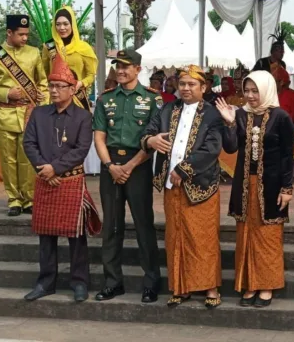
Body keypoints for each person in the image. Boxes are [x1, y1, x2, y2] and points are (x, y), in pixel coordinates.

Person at [141, 64, 223, 309]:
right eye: (183, 83)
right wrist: (151, 140)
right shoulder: (168, 108)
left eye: (192, 84)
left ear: (204, 87)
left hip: (201, 186)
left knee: (203, 238)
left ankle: (210, 287)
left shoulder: (212, 114)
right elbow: (148, 132)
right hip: (171, 187)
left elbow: (211, 149)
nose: (186, 88)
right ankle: (180, 287)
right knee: (175, 236)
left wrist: (183, 169)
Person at [22, 56, 101, 303]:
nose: (54, 91)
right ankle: (46, 283)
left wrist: (54, 168)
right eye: (51, 86)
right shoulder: (39, 113)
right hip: (45, 179)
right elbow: (29, 143)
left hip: (69, 180)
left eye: (59, 86)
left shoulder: (83, 117)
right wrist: (43, 169)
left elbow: (81, 149)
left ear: (71, 88)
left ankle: (79, 283)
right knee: (46, 235)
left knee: (76, 236)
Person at [216, 70, 294, 308]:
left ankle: (267, 285)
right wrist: (228, 123)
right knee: (246, 235)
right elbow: (230, 148)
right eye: (246, 91)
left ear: (267, 90)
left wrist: (287, 188)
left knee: (267, 236)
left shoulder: (281, 117)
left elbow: (287, 156)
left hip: (271, 186)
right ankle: (250, 284)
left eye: (255, 91)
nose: (249, 96)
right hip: (244, 185)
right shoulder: (240, 115)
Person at [93, 49, 161, 303]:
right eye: (117, 66)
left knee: (144, 225)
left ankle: (151, 282)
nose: (120, 71)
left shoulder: (153, 100)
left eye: (125, 66)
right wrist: (110, 165)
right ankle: (113, 282)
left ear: (137, 69)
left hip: (139, 165)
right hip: (110, 165)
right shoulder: (105, 99)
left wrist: (130, 166)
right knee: (111, 226)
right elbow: (98, 136)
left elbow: (154, 140)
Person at [0, 15, 49, 216]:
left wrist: (41, 105)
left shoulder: (34, 53)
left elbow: (42, 82)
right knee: (8, 160)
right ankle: (14, 200)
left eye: (27, 34)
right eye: (21, 34)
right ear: (9, 33)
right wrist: (6, 93)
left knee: (28, 158)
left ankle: (29, 199)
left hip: (29, 114)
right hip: (4, 114)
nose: (25, 38)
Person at [42, 7, 97, 110]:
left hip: (77, 99)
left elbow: (91, 75)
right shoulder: (48, 47)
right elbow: (44, 74)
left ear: (72, 24)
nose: (62, 28)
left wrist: (81, 83)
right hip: (55, 100)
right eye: (58, 24)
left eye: (65, 24)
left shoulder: (84, 48)